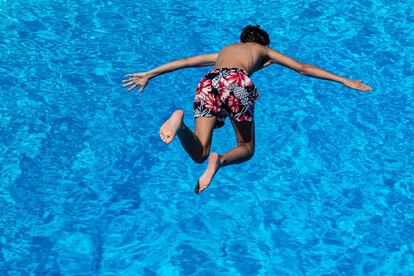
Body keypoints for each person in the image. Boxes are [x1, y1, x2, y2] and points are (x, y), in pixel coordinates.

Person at [122, 25, 372, 194]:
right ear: (262, 46)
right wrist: (343, 80)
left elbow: (186, 62)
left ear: (241, 40)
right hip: (236, 82)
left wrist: (150, 74)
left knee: (199, 152)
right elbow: (303, 68)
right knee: (247, 148)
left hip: (208, 82)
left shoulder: (224, 51)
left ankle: (179, 122)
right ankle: (219, 162)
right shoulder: (264, 52)